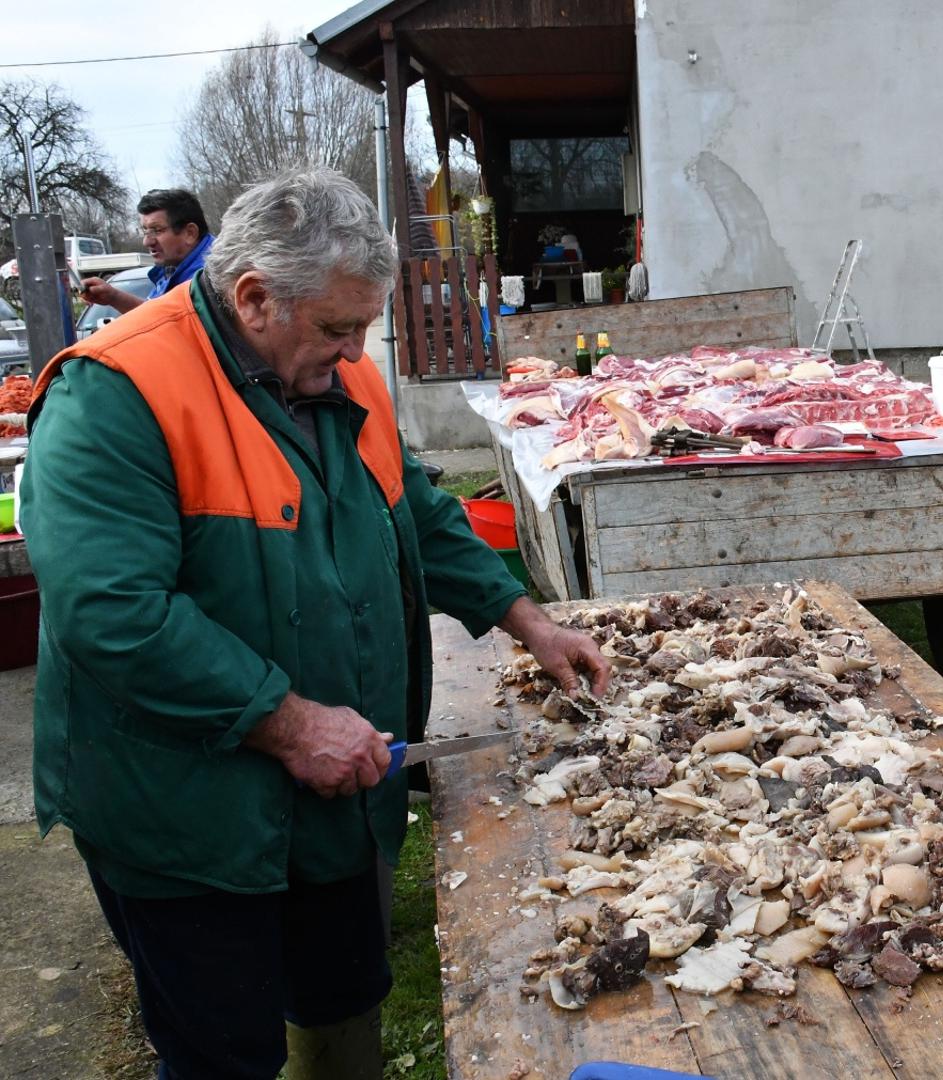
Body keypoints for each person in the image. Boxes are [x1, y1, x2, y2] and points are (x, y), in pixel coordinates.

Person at [25, 167, 611, 1080]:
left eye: (361, 328)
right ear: (254, 296)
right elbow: (113, 614)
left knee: (341, 998)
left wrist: (522, 617)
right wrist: (292, 723)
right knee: (222, 1047)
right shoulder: (117, 391)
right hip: (186, 812)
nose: (352, 351)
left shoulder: (347, 373)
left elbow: (415, 506)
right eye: (337, 328)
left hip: (340, 776)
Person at [80, 188, 215, 313]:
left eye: (157, 230)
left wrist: (114, 297)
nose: (147, 241)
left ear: (190, 233)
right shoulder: (175, 269)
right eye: (145, 230)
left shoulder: (210, 279)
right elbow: (160, 317)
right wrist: (113, 297)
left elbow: (168, 326)